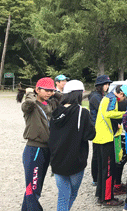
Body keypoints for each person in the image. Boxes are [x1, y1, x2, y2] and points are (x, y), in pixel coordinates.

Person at [49, 80, 96, 211]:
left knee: (63, 196)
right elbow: (90, 135)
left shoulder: (56, 112)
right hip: (75, 160)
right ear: (79, 94)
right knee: (72, 193)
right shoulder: (82, 112)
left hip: (57, 160)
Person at [18, 77, 61, 211]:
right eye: (46, 90)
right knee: (33, 188)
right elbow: (27, 104)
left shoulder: (49, 104)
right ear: (38, 89)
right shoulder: (31, 106)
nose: (49, 93)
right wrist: (30, 93)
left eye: (51, 90)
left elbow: (63, 99)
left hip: (47, 149)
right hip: (34, 149)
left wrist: (55, 92)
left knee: (36, 188)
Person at [93, 83, 127, 207]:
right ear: (121, 94)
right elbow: (108, 113)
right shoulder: (112, 99)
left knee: (102, 169)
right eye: (125, 97)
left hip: (100, 138)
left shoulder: (107, 97)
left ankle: (101, 195)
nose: (124, 100)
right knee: (109, 170)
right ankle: (108, 198)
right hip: (107, 139)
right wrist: (125, 113)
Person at [89, 74, 112, 185]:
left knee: (99, 153)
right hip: (96, 128)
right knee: (97, 154)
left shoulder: (101, 95)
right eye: (105, 84)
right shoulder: (95, 97)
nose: (107, 86)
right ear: (100, 85)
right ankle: (96, 178)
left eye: (108, 84)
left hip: (99, 127)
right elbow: (104, 110)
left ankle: (98, 177)